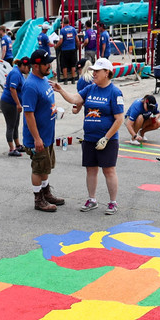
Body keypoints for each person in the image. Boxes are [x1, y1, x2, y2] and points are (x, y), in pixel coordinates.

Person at [21, 49, 82, 212]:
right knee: (38, 168)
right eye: (46, 63)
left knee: (46, 167)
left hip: (47, 134)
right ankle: (38, 199)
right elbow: (29, 114)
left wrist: (54, 111)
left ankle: (46, 192)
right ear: (35, 66)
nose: (49, 65)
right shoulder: (30, 86)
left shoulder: (44, 79)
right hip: (37, 137)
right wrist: (36, 138)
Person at [74, 58, 124, 214]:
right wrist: (60, 91)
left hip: (107, 140)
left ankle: (113, 202)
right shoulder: (90, 88)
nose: (93, 73)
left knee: (109, 170)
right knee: (91, 170)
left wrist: (106, 138)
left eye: (97, 71)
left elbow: (119, 119)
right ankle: (92, 199)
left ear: (107, 73)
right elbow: (76, 99)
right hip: (89, 137)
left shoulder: (115, 92)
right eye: (93, 71)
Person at [0, 56, 29, 156]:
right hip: (9, 103)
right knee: (11, 125)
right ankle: (11, 149)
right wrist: (18, 104)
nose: (29, 70)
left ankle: (17, 145)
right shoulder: (16, 73)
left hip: (15, 104)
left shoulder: (19, 73)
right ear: (24, 66)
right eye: (28, 68)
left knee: (16, 124)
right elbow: (12, 89)